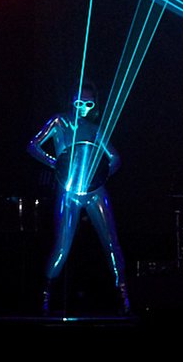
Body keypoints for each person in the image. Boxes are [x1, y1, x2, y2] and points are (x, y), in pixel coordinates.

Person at [28, 81, 130, 316]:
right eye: (79, 102)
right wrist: (57, 163)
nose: (83, 107)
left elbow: (115, 158)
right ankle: (44, 298)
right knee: (62, 247)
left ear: (94, 105)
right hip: (68, 190)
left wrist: (100, 175)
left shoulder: (94, 129)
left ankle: (124, 298)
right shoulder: (59, 121)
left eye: (88, 104)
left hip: (94, 191)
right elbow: (33, 146)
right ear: (71, 101)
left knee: (111, 243)